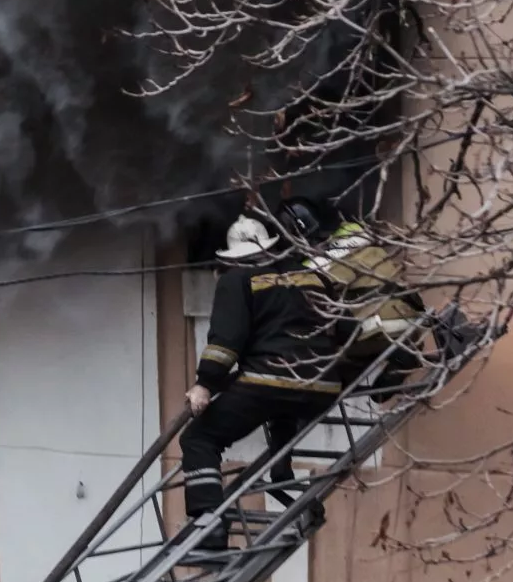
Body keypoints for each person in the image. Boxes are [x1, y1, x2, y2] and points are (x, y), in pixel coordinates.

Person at [179, 198, 419, 553]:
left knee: (199, 438)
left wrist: (205, 384)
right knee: (279, 409)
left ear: (234, 257)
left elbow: (226, 342)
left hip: (269, 381)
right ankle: (283, 479)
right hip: (321, 385)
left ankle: (207, 526)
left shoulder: (237, 281)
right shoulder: (313, 277)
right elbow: (341, 328)